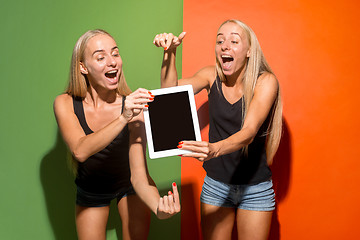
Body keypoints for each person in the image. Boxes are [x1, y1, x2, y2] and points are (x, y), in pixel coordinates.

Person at [153, 19, 282, 240]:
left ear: (249, 50)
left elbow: (249, 131)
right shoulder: (210, 75)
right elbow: (169, 94)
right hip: (216, 186)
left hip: (256, 189)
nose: (225, 46)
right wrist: (170, 53)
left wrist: (213, 150)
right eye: (220, 41)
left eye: (234, 41)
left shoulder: (265, 81)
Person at [54, 29, 180, 240]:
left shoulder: (133, 105)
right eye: (101, 57)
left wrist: (159, 207)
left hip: (129, 185)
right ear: (83, 67)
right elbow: (80, 150)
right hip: (90, 187)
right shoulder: (65, 103)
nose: (112, 62)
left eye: (115, 53)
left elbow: (139, 176)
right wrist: (123, 118)